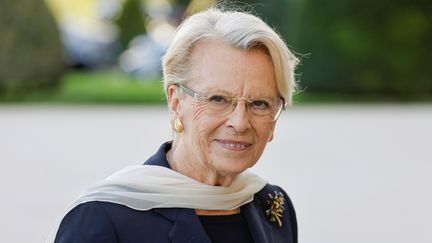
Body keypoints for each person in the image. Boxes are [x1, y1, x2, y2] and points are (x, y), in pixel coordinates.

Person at [51, 6, 299, 243]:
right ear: (176, 101)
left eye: (259, 104)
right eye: (218, 99)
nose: (240, 122)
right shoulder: (104, 217)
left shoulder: (273, 205)